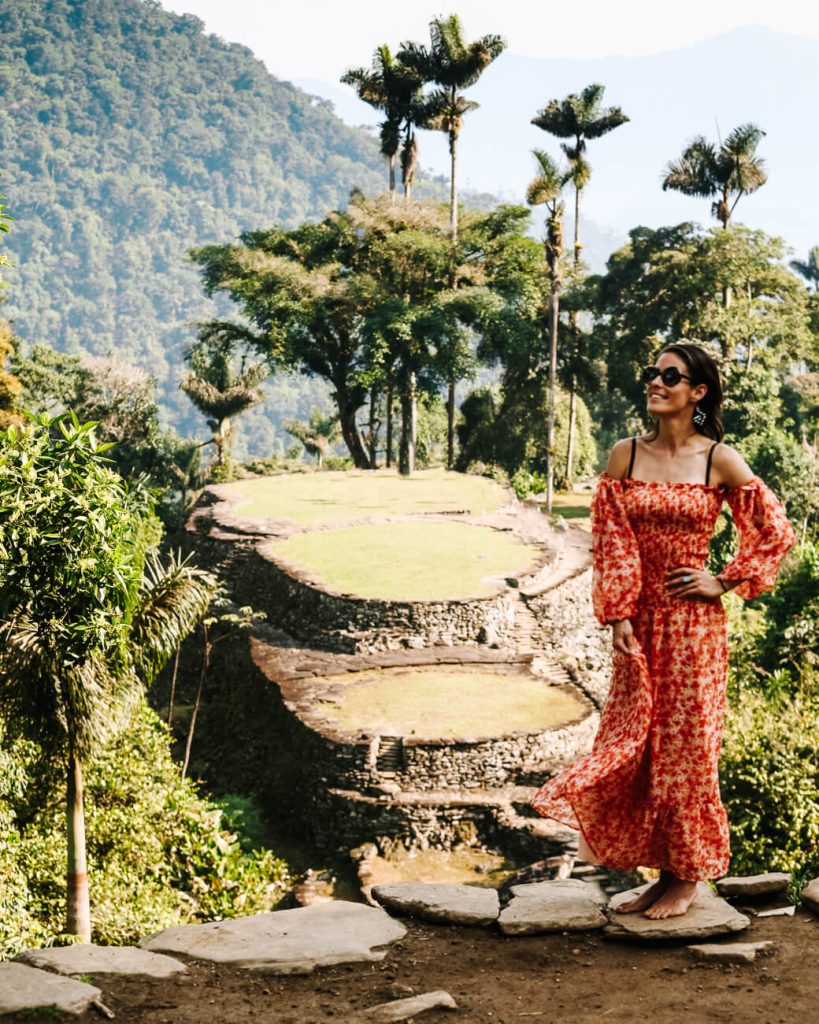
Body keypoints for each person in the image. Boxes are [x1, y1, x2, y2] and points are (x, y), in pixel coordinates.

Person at [530, 342, 796, 919]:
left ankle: (686, 877)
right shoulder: (625, 455)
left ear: (697, 391)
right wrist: (619, 613)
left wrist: (722, 581)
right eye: (651, 372)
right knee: (637, 746)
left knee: (687, 748)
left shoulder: (718, 460)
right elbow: (611, 540)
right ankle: (658, 872)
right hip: (640, 625)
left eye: (669, 375)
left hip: (694, 629)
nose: (654, 381)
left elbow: (774, 533)